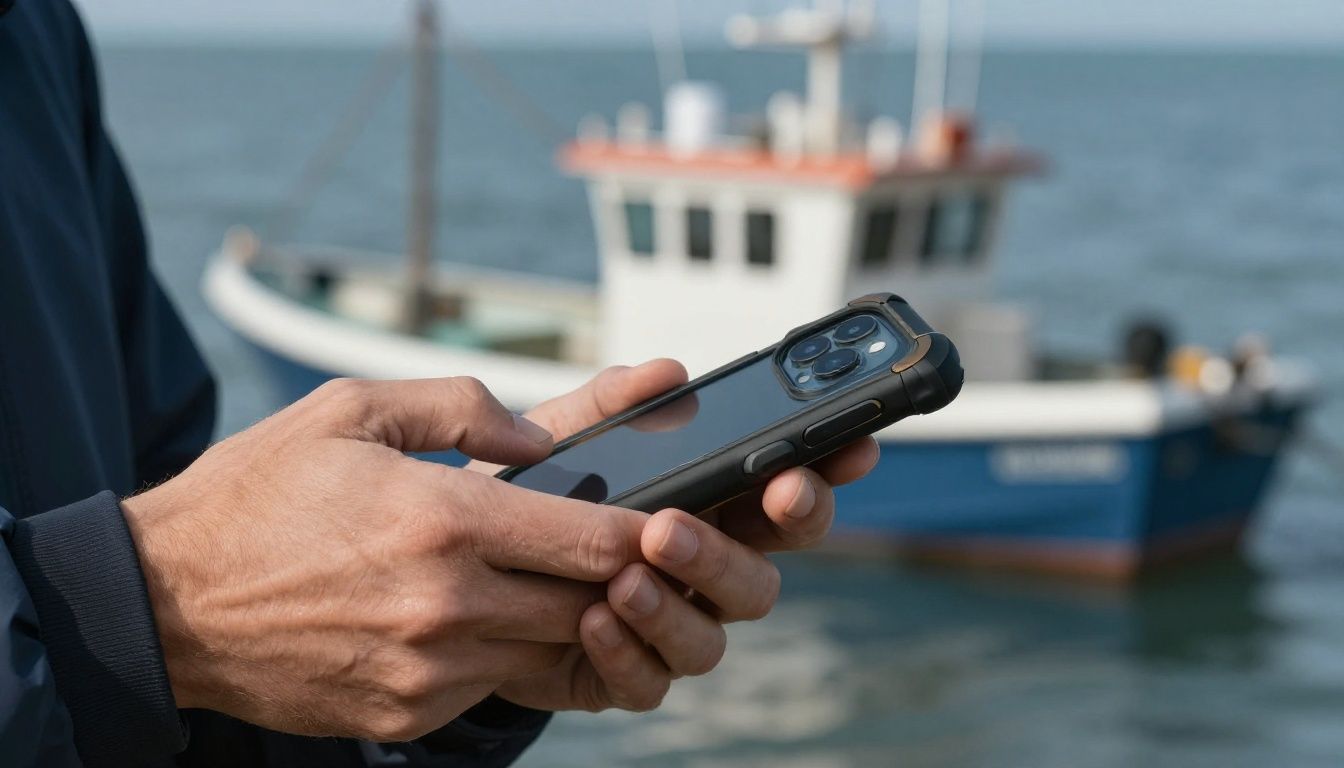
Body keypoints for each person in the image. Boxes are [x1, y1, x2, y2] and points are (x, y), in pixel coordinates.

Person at [0, 2, 879, 767]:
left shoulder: (33, 37)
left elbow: (180, 718)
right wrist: (151, 611)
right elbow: (159, 603)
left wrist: (470, 657)